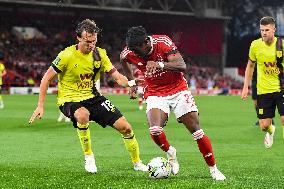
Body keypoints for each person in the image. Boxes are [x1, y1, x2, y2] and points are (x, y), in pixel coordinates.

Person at [29, 19, 148, 173]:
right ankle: (89, 156)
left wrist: (132, 84)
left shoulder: (100, 54)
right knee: (83, 115)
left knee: (126, 127)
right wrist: (40, 105)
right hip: (69, 99)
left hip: (93, 97)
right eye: (87, 41)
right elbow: (46, 78)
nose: (91, 45)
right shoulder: (66, 55)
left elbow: (117, 76)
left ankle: (137, 162)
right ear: (78, 37)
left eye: (94, 41)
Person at [120, 26, 226, 180]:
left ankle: (213, 169)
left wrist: (159, 64)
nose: (134, 54)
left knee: (196, 130)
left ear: (145, 43)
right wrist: (131, 84)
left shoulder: (162, 42)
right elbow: (124, 60)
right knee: (155, 130)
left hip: (178, 89)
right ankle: (171, 153)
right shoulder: (129, 51)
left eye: (137, 50)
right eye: (132, 50)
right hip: (155, 91)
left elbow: (182, 65)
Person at [241, 16, 284, 148]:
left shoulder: (281, 44)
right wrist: (245, 87)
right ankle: (271, 131)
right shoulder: (255, 45)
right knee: (264, 126)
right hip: (263, 90)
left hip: (281, 88)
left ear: (274, 30)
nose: (264, 33)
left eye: (267, 30)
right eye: (262, 30)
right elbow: (250, 66)